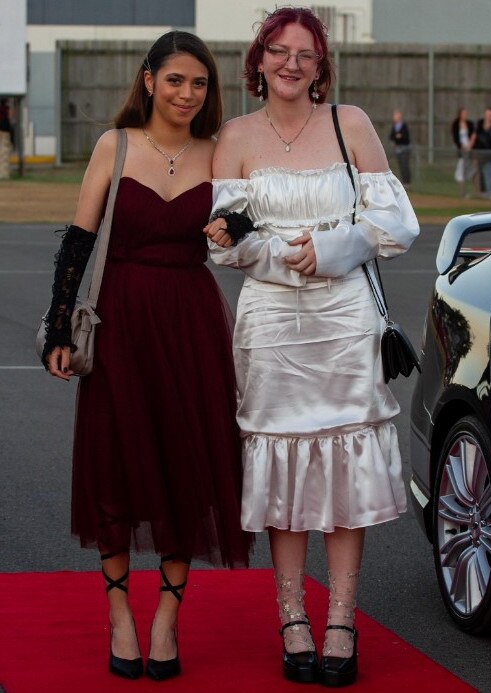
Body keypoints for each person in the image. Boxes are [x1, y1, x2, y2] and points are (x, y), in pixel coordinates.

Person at [204, 7, 419, 688]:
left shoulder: (348, 123)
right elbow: (225, 240)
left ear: (321, 65)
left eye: (306, 53)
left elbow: (396, 222)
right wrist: (278, 255)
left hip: (344, 318)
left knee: (343, 469)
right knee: (284, 465)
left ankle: (342, 619)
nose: (292, 63)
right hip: (270, 324)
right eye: (279, 51)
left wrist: (328, 249)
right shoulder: (234, 135)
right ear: (258, 60)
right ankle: (292, 614)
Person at [41, 31, 252, 681]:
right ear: (148, 79)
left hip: (191, 325)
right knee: (114, 466)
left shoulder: (219, 153)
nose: (188, 94)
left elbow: (249, 223)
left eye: (199, 84)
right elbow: (77, 242)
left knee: (183, 466)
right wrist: (56, 330)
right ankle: (119, 612)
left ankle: (166, 614)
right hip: (122, 322)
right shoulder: (116, 144)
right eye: (176, 80)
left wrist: (233, 225)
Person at [473, 106, 491, 198]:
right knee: (478, 173)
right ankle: (480, 193)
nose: (490, 116)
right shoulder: (480, 124)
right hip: (479, 153)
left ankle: (490, 192)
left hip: (490, 154)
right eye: (488, 115)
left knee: (489, 172)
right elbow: (475, 137)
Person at [451, 107, 476, 196]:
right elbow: (456, 138)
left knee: (472, 169)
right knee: (461, 170)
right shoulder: (456, 124)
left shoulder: (469, 123)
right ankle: (463, 191)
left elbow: (473, 134)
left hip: (469, 149)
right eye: (463, 113)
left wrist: (470, 145)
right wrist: (462, 147)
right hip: (462, 150)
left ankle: (475, 191)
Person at [389, 109, 412, 186]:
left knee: (405, 165)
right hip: (398, 149)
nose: (394, 118)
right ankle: (403, 181)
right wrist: (397, 136)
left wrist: (400, 136)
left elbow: (405, 137)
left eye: (396, 116)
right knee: (401, 166)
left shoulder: (404, 126)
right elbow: (391, 136)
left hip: (405, 148)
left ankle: (407, 182)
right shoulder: (394, 126)